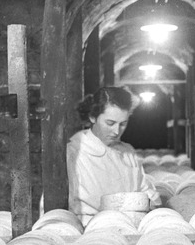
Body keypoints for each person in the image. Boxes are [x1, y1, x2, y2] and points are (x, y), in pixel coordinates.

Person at [67, 87, 161, 225]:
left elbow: (146, 192)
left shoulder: (128, 153)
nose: (117, 131)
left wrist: (151, 201)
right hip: (89, 232)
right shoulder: (75, 152)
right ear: (93, 117)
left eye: (123, 124)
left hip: (130, 229)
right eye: (110, 123)